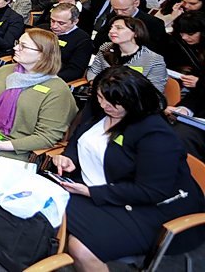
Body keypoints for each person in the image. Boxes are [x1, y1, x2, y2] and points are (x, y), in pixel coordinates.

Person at [52, 67, 205, 270]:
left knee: (80, 248)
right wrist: (69, 157)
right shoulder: (102, 106)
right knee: (43, 207)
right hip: (102, 187)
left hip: (152, 208)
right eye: (100, 98)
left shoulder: (155, 134)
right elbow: (79, 136)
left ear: (134, 100)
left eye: (113, 102)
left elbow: (151, 191)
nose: (104, 105)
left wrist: (91, 192)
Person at [0, 28, 77, 160]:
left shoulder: (57, 91)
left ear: (42, 54)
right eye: (18, 43)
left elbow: (46, 137)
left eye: (23, 46)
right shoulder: (5, 71)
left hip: (14, 147)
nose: (15, 48)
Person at [87, 16, 167, 92]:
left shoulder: (154, 60)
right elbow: (93, 72)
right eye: (111, 28)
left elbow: (155, 91)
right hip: (101, 94)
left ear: (135, 33)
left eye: (119, 28)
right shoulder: (106, 48)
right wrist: (99, 88)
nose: (111, 31)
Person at [91, 0, 167, 55]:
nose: (119, 13)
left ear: (136, 3)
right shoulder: (112, 16)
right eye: (115, 9)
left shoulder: (153, 23)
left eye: (124, 10)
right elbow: (99, 39)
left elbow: (154, 49)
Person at [48, 3, 94, 82]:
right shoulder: (44, 30)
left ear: (75, 21)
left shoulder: (83, 40)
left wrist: (49, 79)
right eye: (52, 21)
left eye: (61, 23)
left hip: (56, 79)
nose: (54, 26)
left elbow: (75, 71)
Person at [166, 11, 205, 91]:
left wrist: (199, 82)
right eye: (181, 33)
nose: (184, 37)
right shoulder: (177, 43)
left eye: (190, 34)